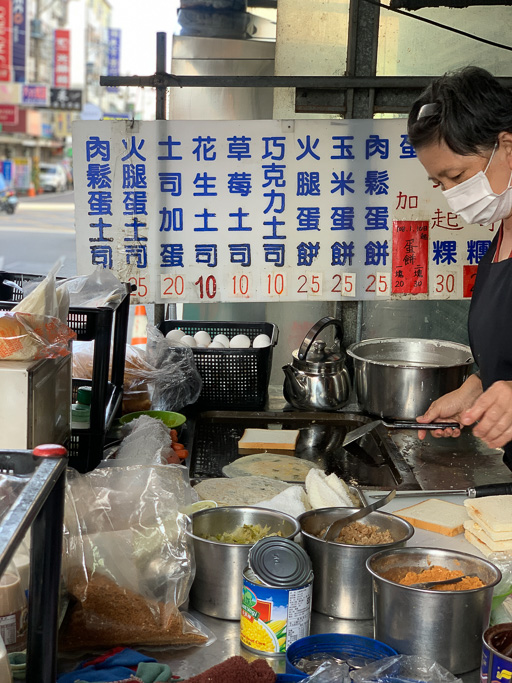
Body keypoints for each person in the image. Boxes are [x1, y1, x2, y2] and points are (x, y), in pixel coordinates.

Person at [407, 66, 512, 471]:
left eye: (457, 176)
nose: (452, 195)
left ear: (507, 146)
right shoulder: (500, 239)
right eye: (439, 183)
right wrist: (476, 388)